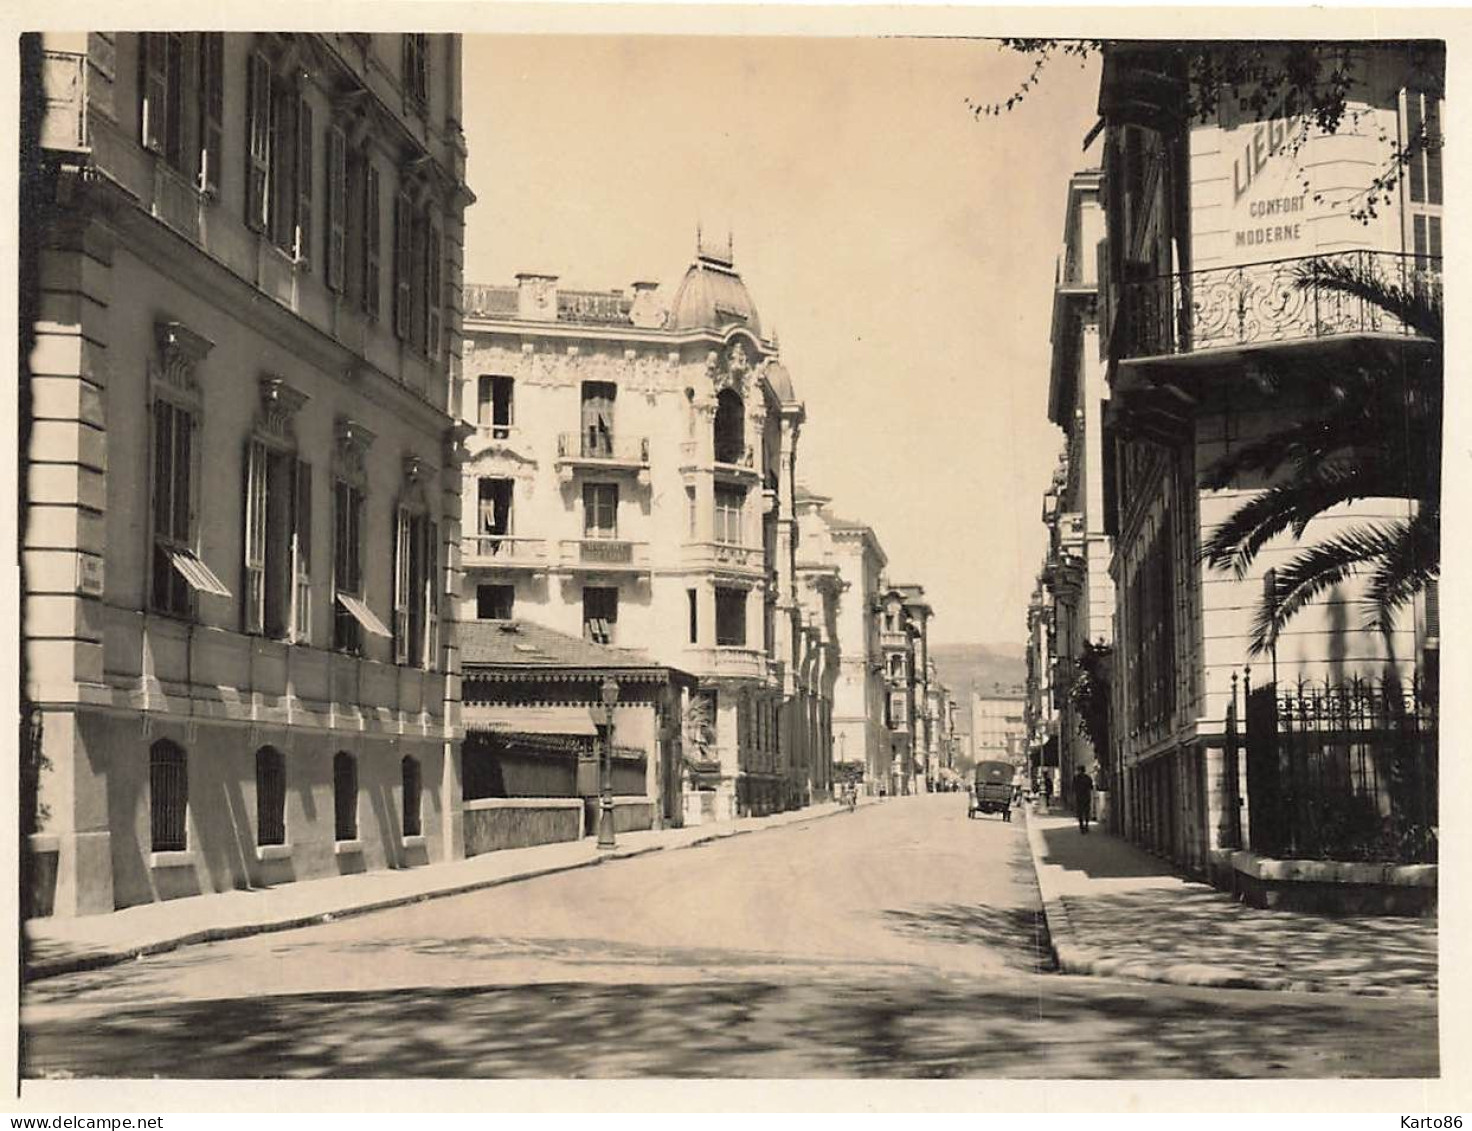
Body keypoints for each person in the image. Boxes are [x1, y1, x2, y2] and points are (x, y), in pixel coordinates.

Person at [1073, 766, 1094, 834]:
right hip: (1086, 796)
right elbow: (1091, 787)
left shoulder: (1076, 778)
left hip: (1079, 797)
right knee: (1086, 812)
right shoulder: (1088, 778)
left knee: (1080, 812)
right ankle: (1086, 825)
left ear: (1079, 770)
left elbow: (1073, 787)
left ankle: (1081, 826)